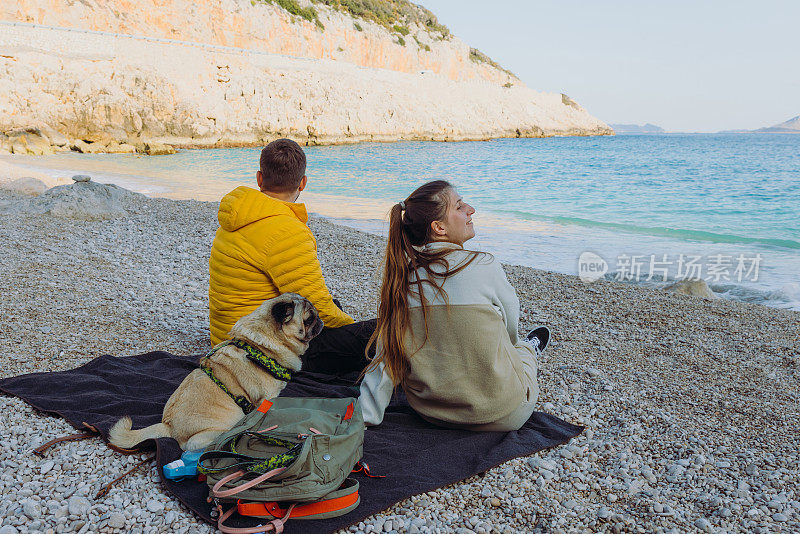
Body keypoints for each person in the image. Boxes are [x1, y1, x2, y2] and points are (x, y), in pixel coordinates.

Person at [359, 180, 546, 431]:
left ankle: (525, 349)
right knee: (520, 351)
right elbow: (510, 327)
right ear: (439, 227)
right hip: (505, 415)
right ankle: (531, 349)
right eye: (460, 206)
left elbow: (386, 358)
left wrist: (366, 415)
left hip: (433, 414)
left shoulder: (400, 281)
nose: (471, 210)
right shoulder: (484, 266)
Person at [208, 138, 375, 373]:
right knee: (376, 333)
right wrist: (355, 329)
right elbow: (319, 305)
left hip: (227, 338)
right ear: (303, 183)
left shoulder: (237, 218)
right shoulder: (286, 231)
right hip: (258, 353)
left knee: (331, 312)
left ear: (259, 178)